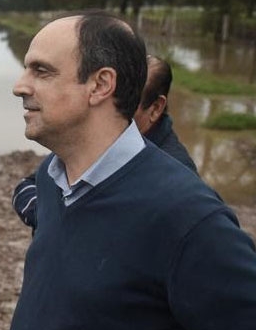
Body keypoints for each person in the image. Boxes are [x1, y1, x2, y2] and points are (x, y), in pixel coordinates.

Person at [2, 11, 256, 330]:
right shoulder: (54, 176)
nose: (19, 85)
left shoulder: (184, 215)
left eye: (41, 70)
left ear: (101, 85)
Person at [12, 54, 196, 229]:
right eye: (109, 97)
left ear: (155, 108)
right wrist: (49, 216)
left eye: (128, 103)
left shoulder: (178, 178)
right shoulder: (100, 140)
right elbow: (29, 185)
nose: (107, 109)